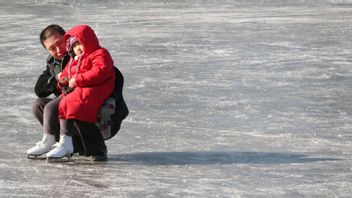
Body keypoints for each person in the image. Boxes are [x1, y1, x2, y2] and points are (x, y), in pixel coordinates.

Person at [27, 24, 128, 161]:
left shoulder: (87, 53)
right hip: (72, 105)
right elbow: (39, 89)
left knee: (76, 104)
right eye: (52, 48)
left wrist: (111, 101)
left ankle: (96, 148)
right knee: (41, 105)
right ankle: (64, 144)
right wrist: (59, 78)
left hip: (104, 113)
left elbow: (113, 75)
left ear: (66, 38)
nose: (58, 50)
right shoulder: (54, 64)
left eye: (60, 43)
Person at [44, 24, 116, 159]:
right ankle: (49, 139)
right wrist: (62, 81)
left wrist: (77, 80)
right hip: (78, 90)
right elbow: (65, 74)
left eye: (80, 44)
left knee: (69, 104)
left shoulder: (100, 54)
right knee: (49, 106)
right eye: (75, 45)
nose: (78, 48)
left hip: (95, 90)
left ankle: (71, 143)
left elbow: (100, 72)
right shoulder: (74, 59)